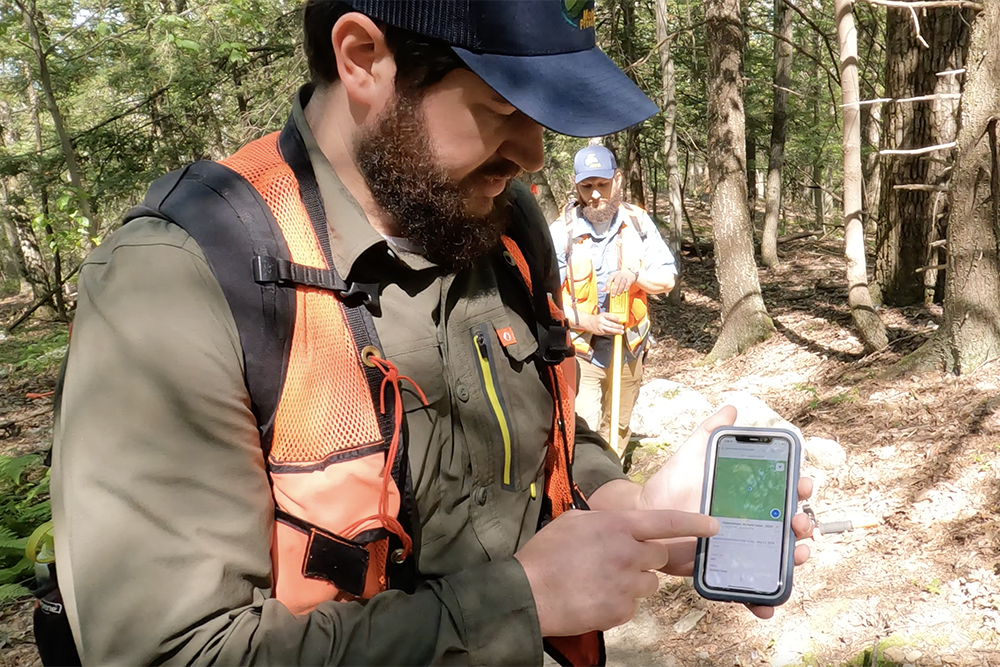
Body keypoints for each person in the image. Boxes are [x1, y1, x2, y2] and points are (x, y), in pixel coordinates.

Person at [50, 2, 814, 665]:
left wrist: (625, 502)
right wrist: (523, 599)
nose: (533, 156)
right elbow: (168, 652)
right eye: (505, 105)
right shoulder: (184, 281)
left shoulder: (500, 226)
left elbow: (544, 419)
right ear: (363, 59)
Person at [551, 146, 677, 456]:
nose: (595, 195)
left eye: (602, 184)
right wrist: (589, 321)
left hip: (629, 349)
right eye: (587, 186)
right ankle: (587, 494)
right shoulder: (561, 232)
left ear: (617, 180)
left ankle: (614, 483)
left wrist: (635, 277)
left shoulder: (638, 223)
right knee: (583, 430)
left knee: (617, 426)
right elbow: (548, 300)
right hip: (582, 351)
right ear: (576, 184)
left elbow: (667, 280)